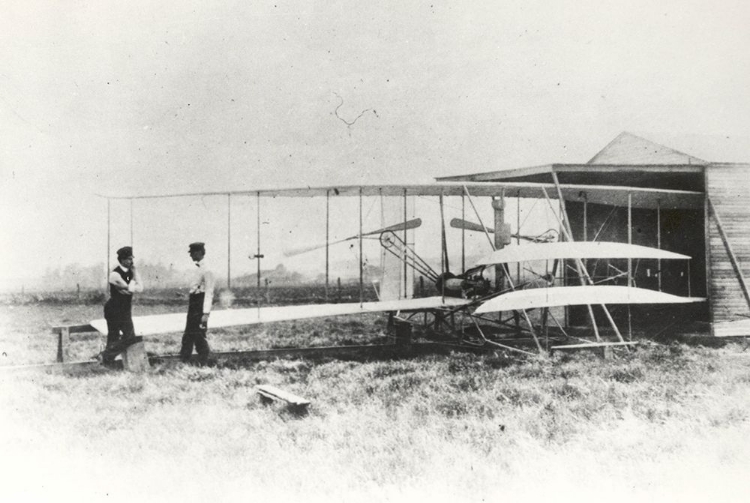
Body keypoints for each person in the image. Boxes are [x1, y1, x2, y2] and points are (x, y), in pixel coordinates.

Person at [99, 246, 144, 364]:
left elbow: (140, 288)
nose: (131, 261)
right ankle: (107, 361)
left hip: (125, 309)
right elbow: (131, 289)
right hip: (113, 309)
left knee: (130, 337)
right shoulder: (114, 274)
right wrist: (132, 285)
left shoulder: (131, 272)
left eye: (131, 259)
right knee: (114, 337)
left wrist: (134, 274)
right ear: (122, 260)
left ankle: (106, 356)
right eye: (129, 259)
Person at [180, 242, 215, 364]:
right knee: (189, 334)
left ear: (200, 252)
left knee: (198, 335)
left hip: (200, 304)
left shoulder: (207, 270)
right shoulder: (199, 268)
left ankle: (204, 361)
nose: (191, 255)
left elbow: (209, 292)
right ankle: (184, 361)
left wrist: (205, 313)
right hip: (194, 303)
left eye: (193, 253)